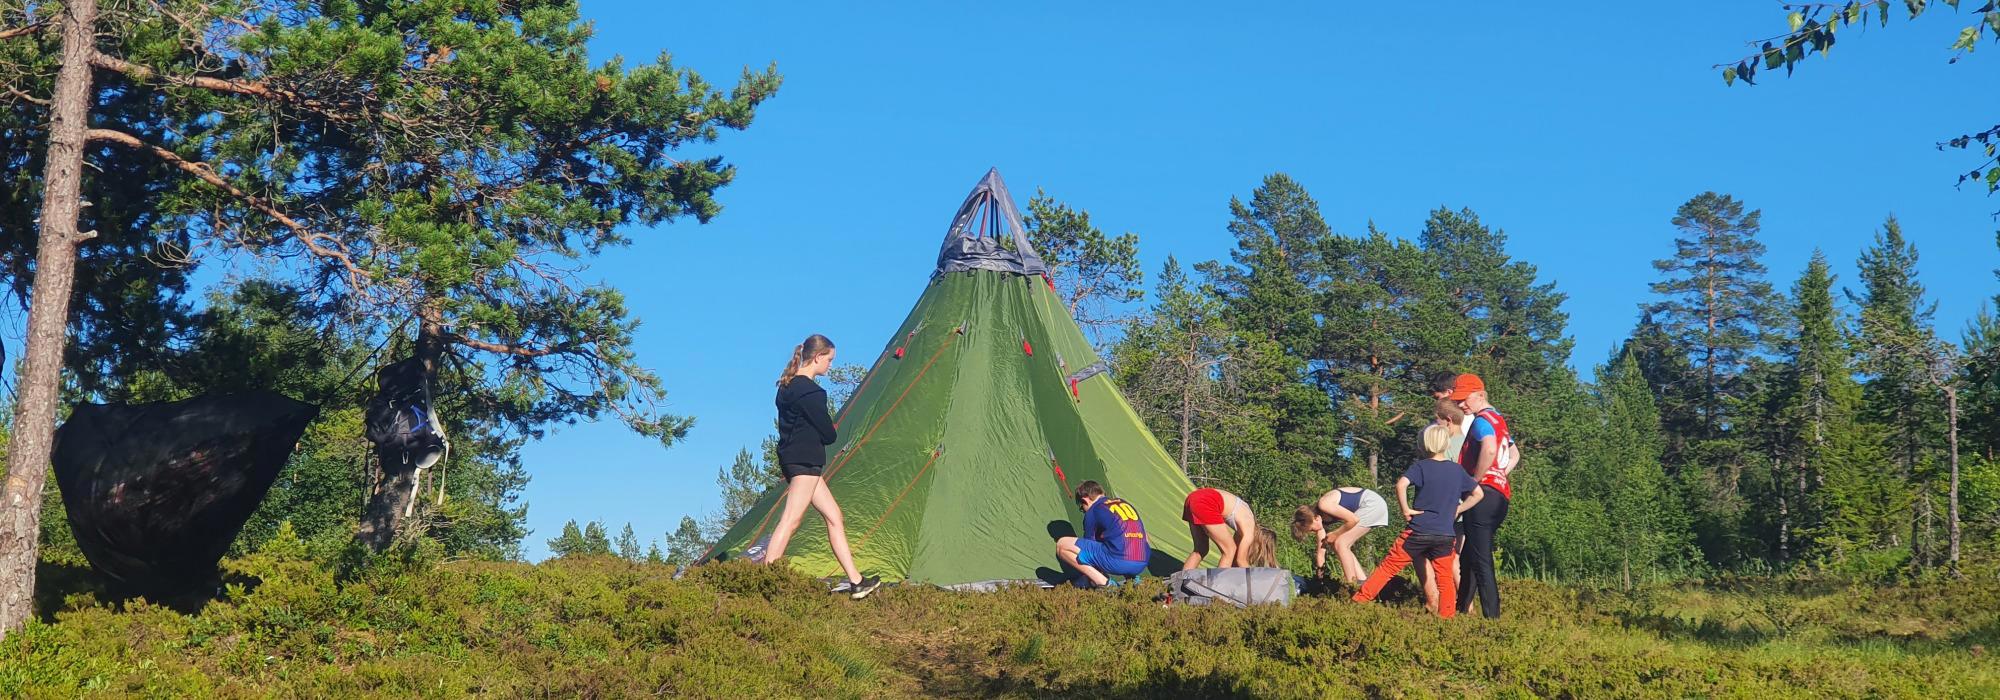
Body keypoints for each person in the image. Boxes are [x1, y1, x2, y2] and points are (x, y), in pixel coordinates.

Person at [761, 334, 881, 600]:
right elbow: (829, 435)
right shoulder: (813, 392)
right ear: (817, 358)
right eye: (829, 360)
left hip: (795, 458)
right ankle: (764, 581)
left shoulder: (786, 386)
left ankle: (857, 582)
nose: (830, 365)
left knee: (834, 516)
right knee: (791, 520)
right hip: (806, 460)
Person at [1352, 424, 1483, 618]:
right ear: (1446, 444)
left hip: (1418, 531)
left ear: (1424, 444)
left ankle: (1359, 602)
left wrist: (1405, 509)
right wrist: (1458, 509)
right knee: (1445, 577)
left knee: (1388, 567)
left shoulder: (1420, 467)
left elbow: (1401, 484)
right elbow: (1478, 493)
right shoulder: (1457, 470)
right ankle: (1447, 617)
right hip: (1445, 534)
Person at [1449, 373, 1514, 619]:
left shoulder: (1481, 421)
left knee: (1481, 560)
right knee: (1470, 556)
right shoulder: (1499, 421)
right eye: (1457, 400)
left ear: (1480, 395)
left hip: (1482, 497)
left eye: (1464, 399)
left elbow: (1488, 448)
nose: (1460, 405)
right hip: (1499, 496)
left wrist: (1475, 480)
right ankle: (1461, 609)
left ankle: (1493, 620)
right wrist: (1499, 474)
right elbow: (1514, 454)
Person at [1056, 481, 1151, 588]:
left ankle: (1105, 584)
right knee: (1125, 537)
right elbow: (1144, 535)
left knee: (1062, 545)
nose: (1083, 511)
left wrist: (1088, 575)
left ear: (1085, 500)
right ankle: (1133, 579)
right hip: (1143, 561)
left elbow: (1090, 548)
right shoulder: (1123, 502)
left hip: (1119, 562)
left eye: (1082, 508)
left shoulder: (1094, 509)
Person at [1291, 486, 1391, 583]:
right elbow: (1321, 553)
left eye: (1312, 530)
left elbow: (1353, 520)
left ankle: (1351, 585)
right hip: (1369, 506)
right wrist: (1320, 579)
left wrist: (1335, 534)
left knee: (1340, 543)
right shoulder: (1320, 522)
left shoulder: (1324, 504)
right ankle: (1362, 582)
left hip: (1372, 503)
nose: (1314, 532)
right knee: (1339, 543)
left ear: (1316, 518)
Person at [1180, 487, 1264, 569]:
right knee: (1229, 550)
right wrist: (1253, 580)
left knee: (1201, 549)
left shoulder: (1244, 524)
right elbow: (1240, 561)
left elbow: (1235, 561)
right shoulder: (1250, 530)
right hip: (1206, 501)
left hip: (1193, 497)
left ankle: (1183, 580)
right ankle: (1219, 582)